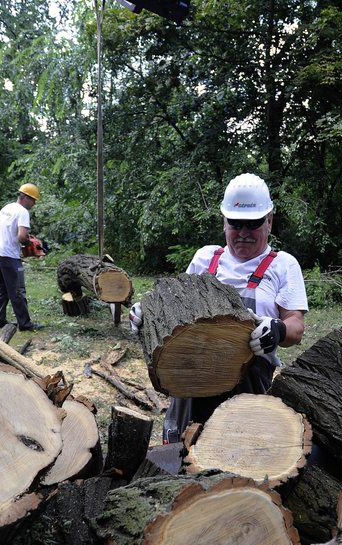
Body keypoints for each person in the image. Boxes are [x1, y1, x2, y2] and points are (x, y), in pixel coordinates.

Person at [130, 173, 308, 442]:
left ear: (269, 221)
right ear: (224, 221)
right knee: (181, 452)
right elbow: (175, 304)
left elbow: (296, 325)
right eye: (236, 224)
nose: (244, 233)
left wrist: (278, 329)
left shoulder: (282, 265)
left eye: (253, 224)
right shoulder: (206, 258)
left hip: (249, 381)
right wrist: (147, 315)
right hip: (191, 374)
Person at [0, 183, 45, 331]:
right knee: (17, 290)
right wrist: (29, 243)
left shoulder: (7, 208)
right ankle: (25, 324)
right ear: (26, 198)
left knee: (3, 288)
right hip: (9, 255)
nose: (33, 204)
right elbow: (21, 236)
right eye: (33, 200)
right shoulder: (22, 212)